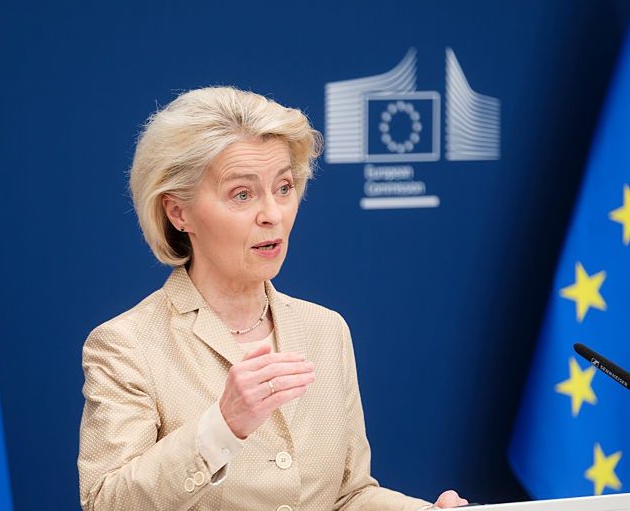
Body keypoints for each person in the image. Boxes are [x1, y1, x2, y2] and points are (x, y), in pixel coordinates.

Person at [78, 87, 467, 510]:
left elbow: (348, 496)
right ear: (178, 212)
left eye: (283, 188)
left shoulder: (325, 329)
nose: (273, 214)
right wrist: (221, 427)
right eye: (242, 194)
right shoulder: (126, 345)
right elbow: (105, 503)